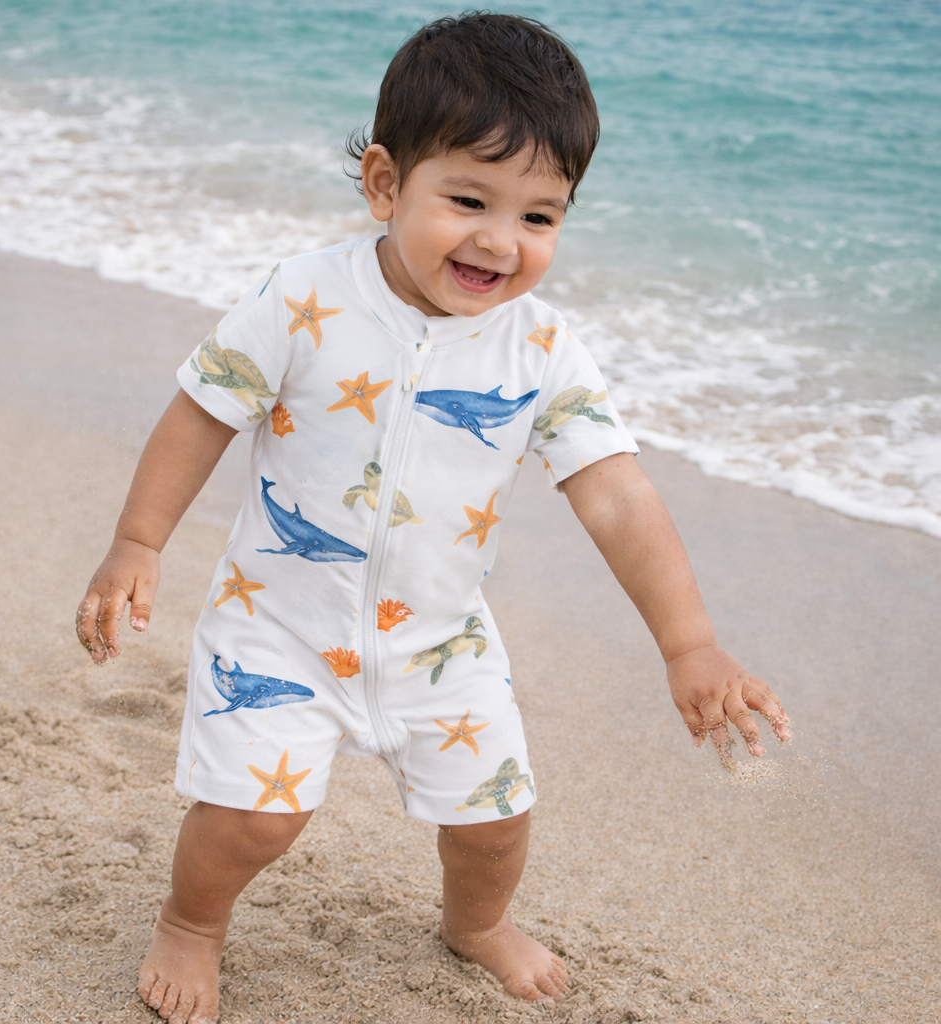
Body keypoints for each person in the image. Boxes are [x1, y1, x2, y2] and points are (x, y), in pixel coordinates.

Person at [75, 13, 791, 1023]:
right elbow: (204, 408)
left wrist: (691, 643)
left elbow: (617, 492)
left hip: (441, 641)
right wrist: (138, 541)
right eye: (469, 200)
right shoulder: (304, 298)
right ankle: (191, 923)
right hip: (281, 624)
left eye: (541, 216)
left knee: (496, 820)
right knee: (251, 819)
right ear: (383, 183)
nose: (502, 241)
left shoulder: (540, 352)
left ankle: (475, 924)